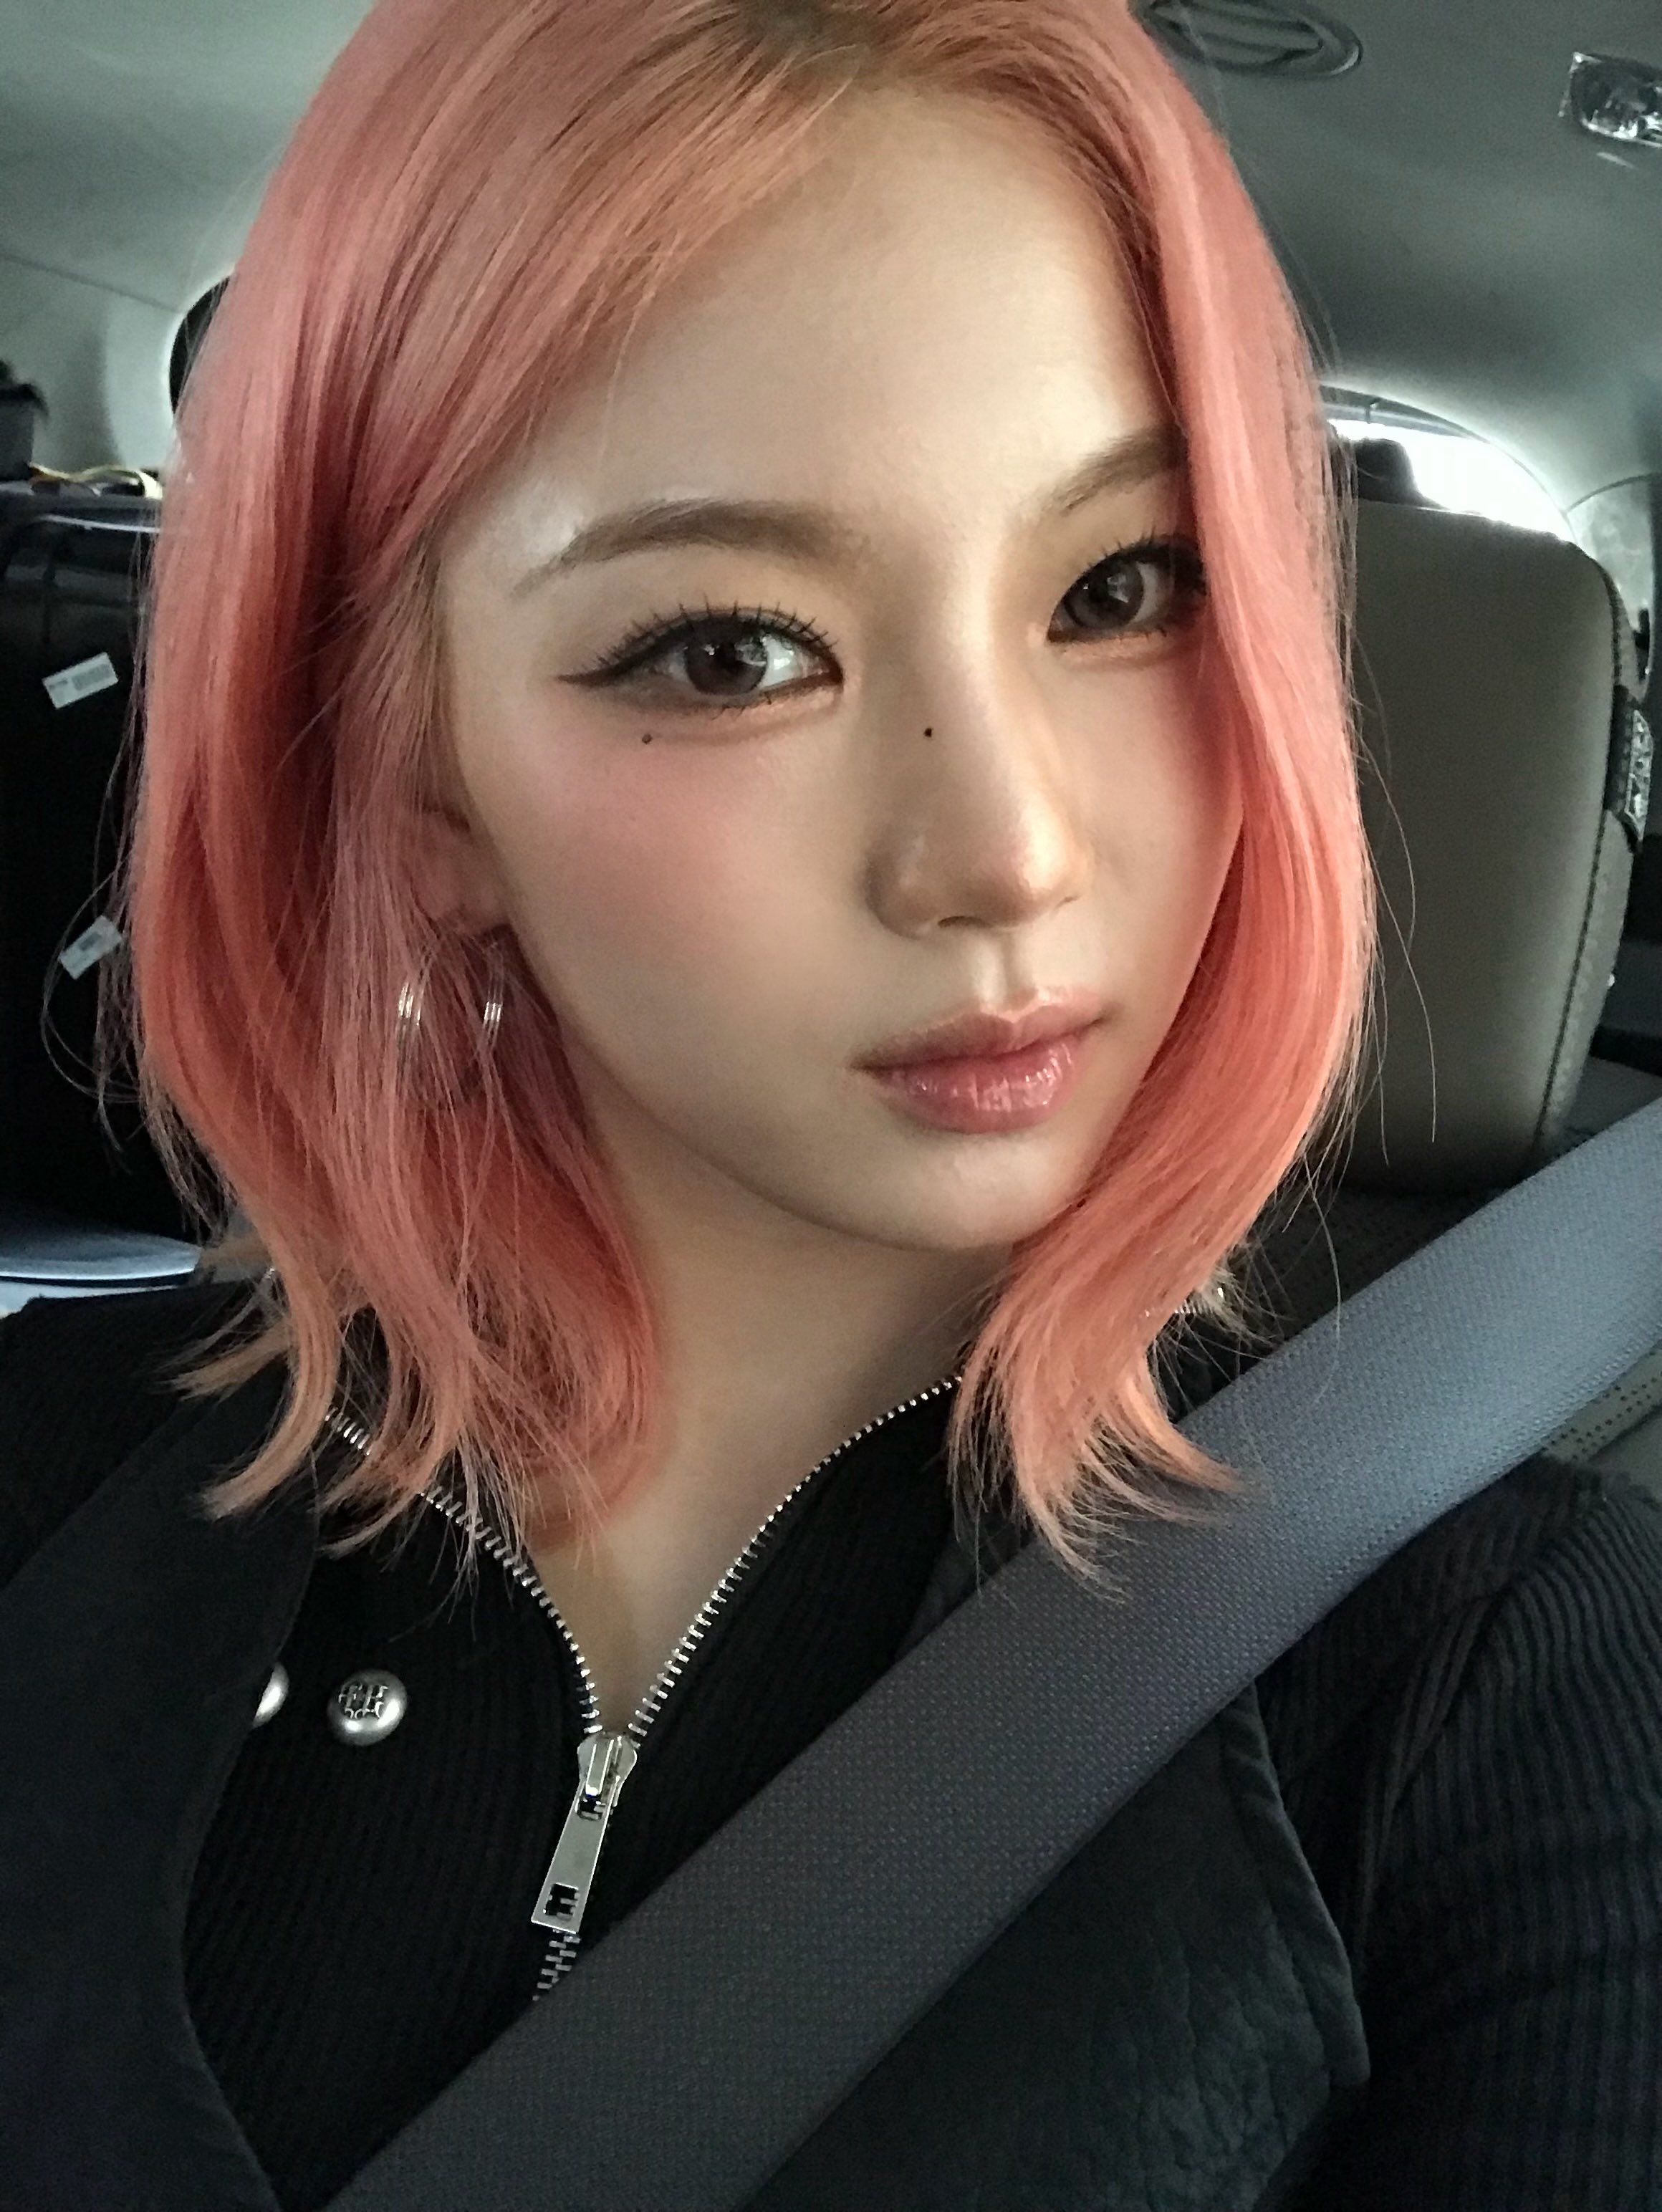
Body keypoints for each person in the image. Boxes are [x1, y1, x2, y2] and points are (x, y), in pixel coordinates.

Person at [1, 1, 1658, 2208]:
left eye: (1123, 589)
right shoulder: (50, 1472)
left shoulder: (1508, 1681)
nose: (1007, 856)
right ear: (423, 789)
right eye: (730, 650)